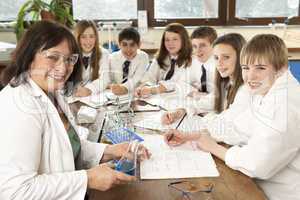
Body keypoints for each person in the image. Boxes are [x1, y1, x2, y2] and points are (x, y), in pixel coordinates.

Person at [0, 21, 149, 199]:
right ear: (29, 55)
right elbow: (15, 191)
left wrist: (110, 151)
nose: (63, 68)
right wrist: (87, 179)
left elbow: (67, 146)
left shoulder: (52, 92)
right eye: (53, 57)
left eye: (69, 59)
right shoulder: (19, 106)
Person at [164, 34, 300, 200]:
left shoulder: (283, 103)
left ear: (282, 67)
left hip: (279, 193)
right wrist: (193, 136)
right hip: (260, 184)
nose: (250, 76)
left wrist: (214, 147)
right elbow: (238, 128)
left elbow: (258, 164)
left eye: (260, 68)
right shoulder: (265, 91)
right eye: (246, 68)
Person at [161, 33, 247, 125]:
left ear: (241, 57)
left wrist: (206, 119)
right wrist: (179, 111)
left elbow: (226, 122)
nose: (219, 63)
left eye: (226, 57)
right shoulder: (228, 83)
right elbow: (207, 102)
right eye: (216, 58)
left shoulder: (245, 90)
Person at [135, 23, 193, 97]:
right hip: (159, 100)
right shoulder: (160, 58)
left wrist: (151, 89)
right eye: (167, 40)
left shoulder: (191, 60)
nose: (170, 43)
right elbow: (150, 78)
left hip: (179, 100)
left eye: (175, 39)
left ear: (183, 41)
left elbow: (174, 83)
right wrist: (142, 87)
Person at [73, 20, 110, 97]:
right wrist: (75, 88)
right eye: (83, 37)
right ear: (78, 38)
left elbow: (104, 79)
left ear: (96, 37)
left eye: (91, 36)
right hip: (74, 95)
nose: (88, 41)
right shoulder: (71, 54)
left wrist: (88, 89)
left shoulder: (104, 53)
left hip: (94, 96)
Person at [109, 27, 149, 95]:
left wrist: (124, 88)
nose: (128, 49)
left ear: (139, 45)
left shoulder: (143, 57)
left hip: (135, 93)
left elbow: (136, 78)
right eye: (124, 45)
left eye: (132, 45)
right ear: (119, 45)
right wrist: (112, 86)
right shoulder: (112, 57)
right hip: (115, 94)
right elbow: (107, 79)